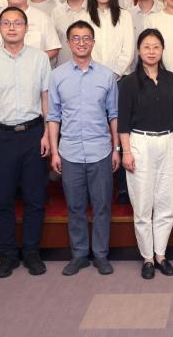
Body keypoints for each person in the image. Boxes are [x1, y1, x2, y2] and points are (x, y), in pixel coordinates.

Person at [0, 6, 53, 278]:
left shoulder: (39, 58)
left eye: (17, 23)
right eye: (6, 23)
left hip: (33, 133)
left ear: (26, 28)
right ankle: (7, 255)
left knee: (35, 198)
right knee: (3, 198)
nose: (11, 27)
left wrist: (47, 133)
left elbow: (46, 97)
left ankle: (31, 252)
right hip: (1, 136)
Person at [47, 21, 120, 277]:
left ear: (93, 42)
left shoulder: (106, 76)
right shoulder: (57, 76)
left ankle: (100, 254)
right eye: (76, 38)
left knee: (102, 206)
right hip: (70, 152)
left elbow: (113, 114)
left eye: (86, 38)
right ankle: (79, 254)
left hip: (100, 150)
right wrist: (54, 151)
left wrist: (116, 148)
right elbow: (53, 116)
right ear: (69, 43)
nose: (81, 43)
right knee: (75, 206)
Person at [119, 29, 173, 279]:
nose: (151, 51)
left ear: (162, 50)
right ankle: (147, 258)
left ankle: (161, 255)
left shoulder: (172, 79)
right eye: (146, 46)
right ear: (139, 50)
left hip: (168, 142)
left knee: (165, 203)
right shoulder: (129, 82)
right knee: (143, 205)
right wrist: (126, 151)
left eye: (156, 46)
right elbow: (123, 121)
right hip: (139, 143)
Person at [87, 0, 135, 76]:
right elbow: (83, 49)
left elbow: (128, 50)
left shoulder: (125, 16)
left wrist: (115, 72)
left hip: (120, 77)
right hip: (91, 76)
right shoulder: (84, 17)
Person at [51, 0, 91, 66]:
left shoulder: (95, 11)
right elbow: (53, 45)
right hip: (64, 69)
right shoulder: (56, 13)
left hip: (92, 69)